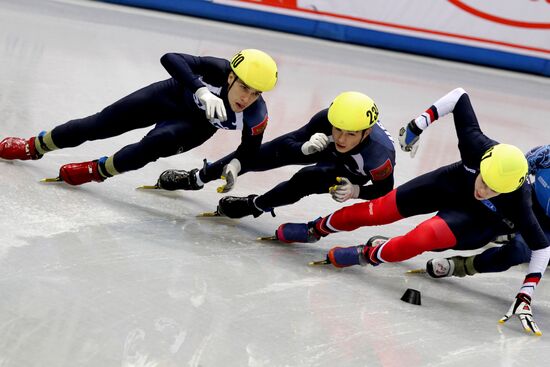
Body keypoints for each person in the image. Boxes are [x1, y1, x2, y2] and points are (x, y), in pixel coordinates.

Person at [276, 88, 550, 336]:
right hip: (451, 183)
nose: (484, 190)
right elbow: (459, 97)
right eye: (484, 181)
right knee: (379, 211)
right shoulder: (476, 146)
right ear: (482, 164)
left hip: (479, 219)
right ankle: (317, 228)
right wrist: (418, 125)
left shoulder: (519, 201)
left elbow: (542, 247)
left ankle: (369, 254)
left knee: (422, 238)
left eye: (494, 190)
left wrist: (526, 293)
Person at [0, 49, 278, 186]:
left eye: (256, 93)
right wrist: (201, 90)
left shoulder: (256, 115)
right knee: (99, 124)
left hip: (194, 126)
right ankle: (34, 146)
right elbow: (170, 58)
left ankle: (97, 171)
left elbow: (249, 151)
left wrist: (235, 166)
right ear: (230, 76)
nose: (247, 98)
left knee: (155, 143)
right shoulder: (216, 69)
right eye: (244, 88)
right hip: (172, 95)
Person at [156, 91, 396, 219]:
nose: (342, 139)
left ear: (366, 132)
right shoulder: (327, 118)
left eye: (351, 134)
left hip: (350, 170)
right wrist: (305, 148)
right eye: (338, 130)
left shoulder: (379, 157)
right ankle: (197, 178)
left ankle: (255, 205)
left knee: (305, 179)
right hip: (322, 146)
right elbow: (287, 144)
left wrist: (356, 191)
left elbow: (384, 190)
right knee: (258, 154)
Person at [425, 144, 550, 278]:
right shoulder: (545, 155)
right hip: (531, 202)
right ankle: (509, 231)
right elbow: (516, 174)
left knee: (517, 250)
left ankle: (464, 266)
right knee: (493, 207)